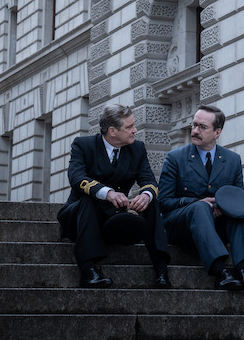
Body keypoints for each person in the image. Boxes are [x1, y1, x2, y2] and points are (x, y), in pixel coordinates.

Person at [57, 103, 171, 288]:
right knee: (90, 198)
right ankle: (88, 270)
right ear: (112, 131)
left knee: (151, 203)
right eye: (129, 127)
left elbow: (149, 180)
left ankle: (161, 268)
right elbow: (76, 178)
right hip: (79, 216)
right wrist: (107, 193)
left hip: (115, 217)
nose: (135, 130)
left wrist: (146, 195)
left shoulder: (137, 149)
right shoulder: (83, 145)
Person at [158, 104, 244, 290]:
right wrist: (197, 202)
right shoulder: (175, 158)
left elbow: (237, 199)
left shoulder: (232, 160)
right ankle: (220, 271)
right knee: (200, 207)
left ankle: (243, 271)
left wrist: (223, 207)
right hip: (180, 225)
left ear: (217, 132)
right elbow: (163, 202)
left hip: (216, 226)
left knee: (243, 213)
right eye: (194, 125)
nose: (195, 131)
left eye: (202, 127)